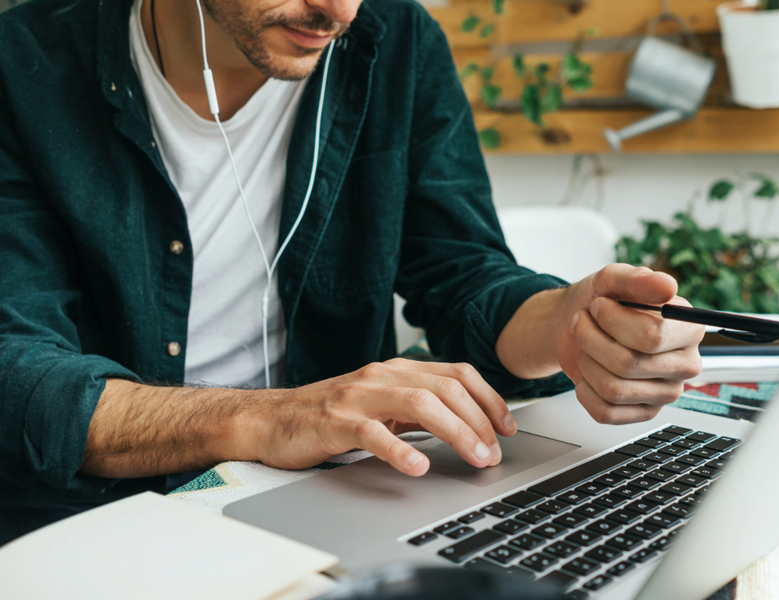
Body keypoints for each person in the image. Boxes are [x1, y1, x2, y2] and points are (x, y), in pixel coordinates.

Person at [0, 0, 704, 544]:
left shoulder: (396, 41)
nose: (337, 12)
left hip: (339, 495)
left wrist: (567, 325)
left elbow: (460, 273)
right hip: (98, 517)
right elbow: (16, 371)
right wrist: (268, 418)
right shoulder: (21, 65)